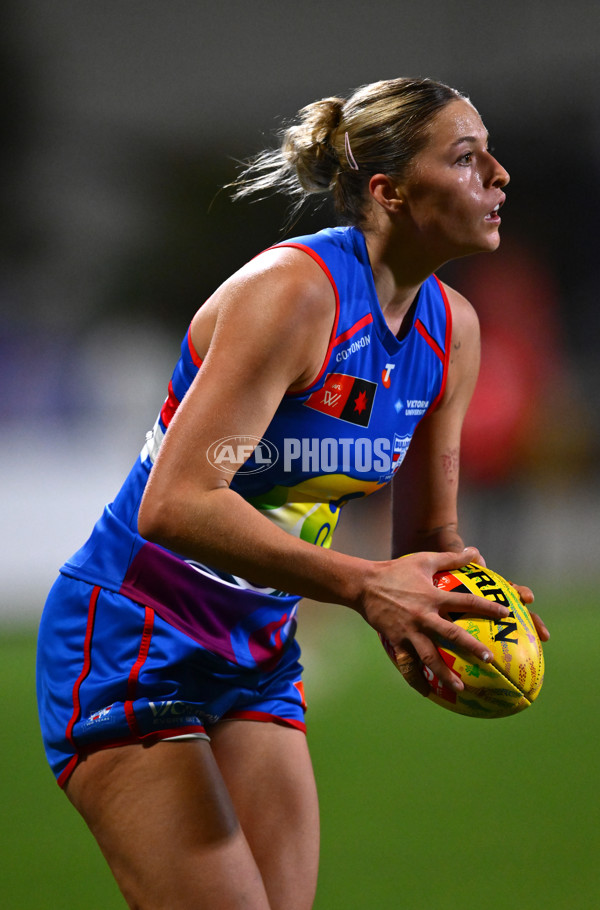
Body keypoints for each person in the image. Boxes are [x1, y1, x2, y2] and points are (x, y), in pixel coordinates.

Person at [36, 76, 549, 910]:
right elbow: (177, 503)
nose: (497, 174)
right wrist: (363, 586)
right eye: (464, 157)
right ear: (389, 191)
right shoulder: (294, 296)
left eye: (489, 152)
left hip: (258, 651)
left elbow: (428, 539)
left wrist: (460, 608)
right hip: (132, 638)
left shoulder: (452, 331)